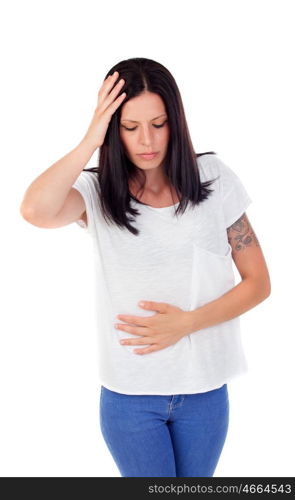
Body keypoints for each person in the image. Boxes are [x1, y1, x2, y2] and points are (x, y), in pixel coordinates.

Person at [20, 57, 271, 477]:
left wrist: (187, 323)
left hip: (205, 391)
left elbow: (258, 282)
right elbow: (34, 210)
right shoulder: (97, 191)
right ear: (113, 130)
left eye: (158, 123)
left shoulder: (215, 178)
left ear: (176, 120)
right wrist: (90, 138)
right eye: (130, 127)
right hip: (131, 397)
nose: (147, 140)